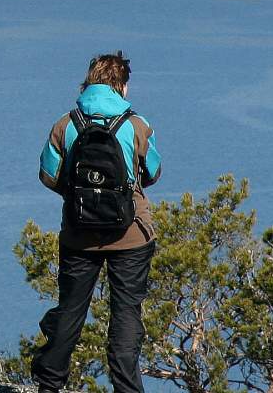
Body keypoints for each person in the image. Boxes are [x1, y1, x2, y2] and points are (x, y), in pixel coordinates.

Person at [32, 52, 163, 393]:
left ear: (88, 82)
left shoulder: (66, 124)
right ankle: (127, 389)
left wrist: (77, 196)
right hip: (131, 234)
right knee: (126, 315)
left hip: (79, 234)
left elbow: (48, 175)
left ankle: (49, 385)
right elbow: (153, 172)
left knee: (70, 311)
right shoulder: (137, 124)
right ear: (123, 86)